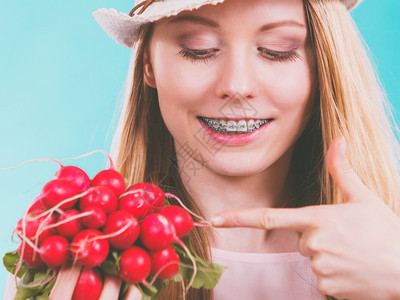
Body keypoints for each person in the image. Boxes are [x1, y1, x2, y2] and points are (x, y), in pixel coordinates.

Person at [5, 0, 400, 299]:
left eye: (278, 50)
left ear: (324, 67)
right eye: (199, 48)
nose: (237, 85)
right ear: (149, 66)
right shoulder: (74, 254)